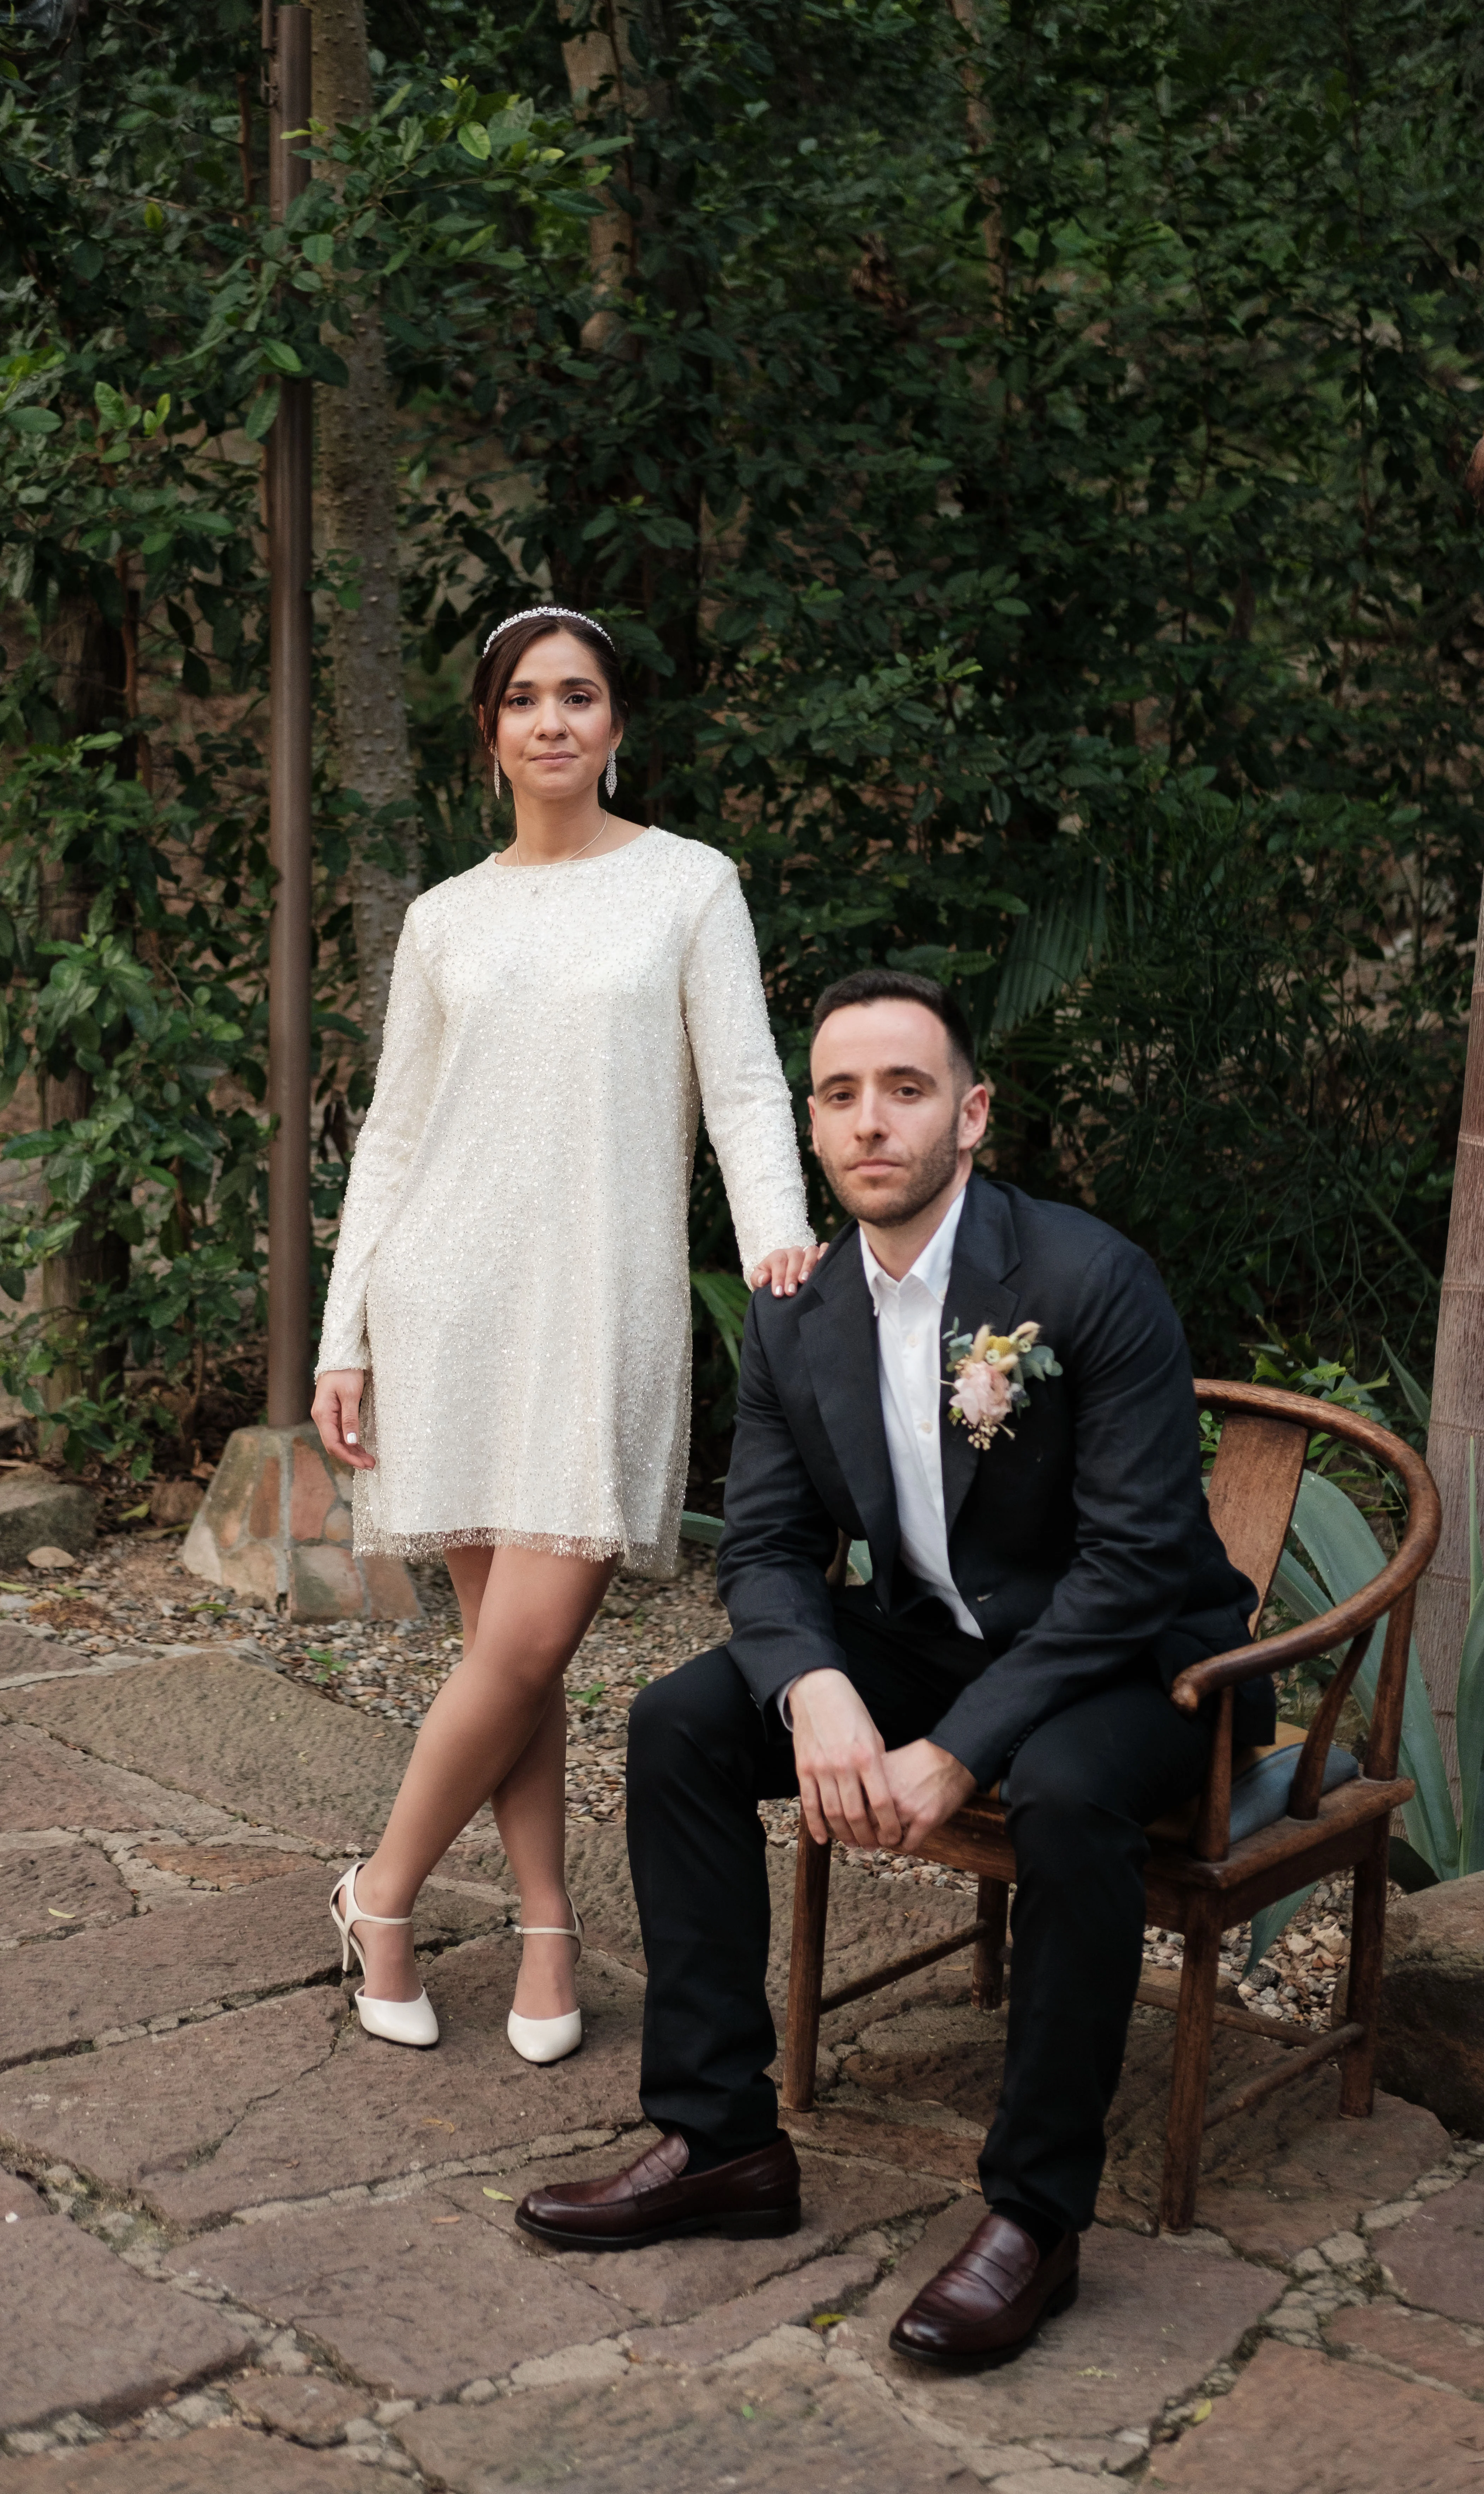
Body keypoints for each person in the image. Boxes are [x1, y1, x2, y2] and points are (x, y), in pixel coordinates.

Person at [513, 965, 1271, 2366]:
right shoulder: (796, 1314)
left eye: (905, 1091)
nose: (872, 1122)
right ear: (812, 1127)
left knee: (1055, 1788)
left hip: (1144, 1669)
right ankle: (721, 2141)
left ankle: (1033, 2220)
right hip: (929, 1634)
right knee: (682, 1720)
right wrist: (816, 1688)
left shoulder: (1081, 1281)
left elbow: (1134, 1568)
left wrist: (952, 1749)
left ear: (968, 1116)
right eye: (841, 1095)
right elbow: (759, 1549)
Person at [310, 604, 818, 2066]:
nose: (551, 721)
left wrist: (778, 1236)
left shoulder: (688, 887)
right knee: (504, 1651)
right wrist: (346, 1334)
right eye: (522, 699)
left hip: (604, 1300)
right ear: (489, 733)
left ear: (615, 725)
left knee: (528, 1636)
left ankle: (381, 1890)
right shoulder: (445, 919)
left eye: (578, 696)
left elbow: (739, 1087)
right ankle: (546, 1925)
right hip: (448, 1296)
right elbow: (395, 1136)